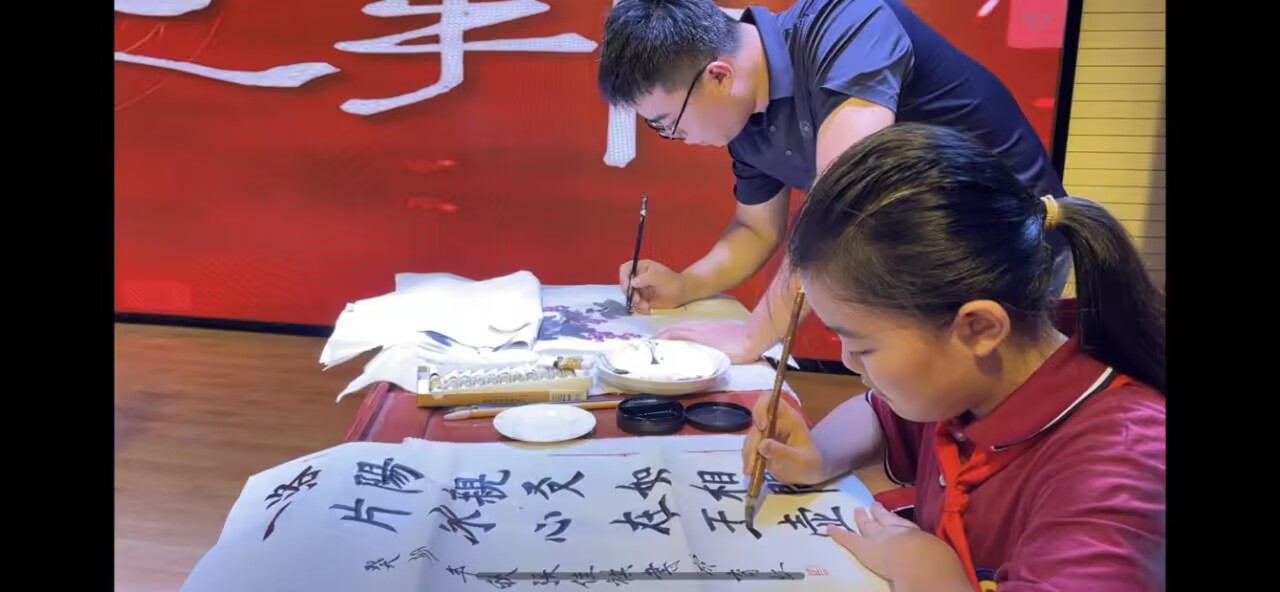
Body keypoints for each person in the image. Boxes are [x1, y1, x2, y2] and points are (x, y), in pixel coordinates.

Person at [739, 123, 1165, 591]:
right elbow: (882, 416)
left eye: (863, 347)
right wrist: (818, 454)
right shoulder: (974, 379)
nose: (850, 363)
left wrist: (927, 569)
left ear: (978, 327)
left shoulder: (1119, 464)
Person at [598, 0, 1072, 363]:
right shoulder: (745, 121)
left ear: (718, 77)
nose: (675, 137)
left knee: (974, 408)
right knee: (910, 413)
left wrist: (750, 337)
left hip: (1010, 240)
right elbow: (755, 230)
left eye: (666, 122)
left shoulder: (848, 24)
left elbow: (839, 209)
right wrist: (685, 284)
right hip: (919, 249)